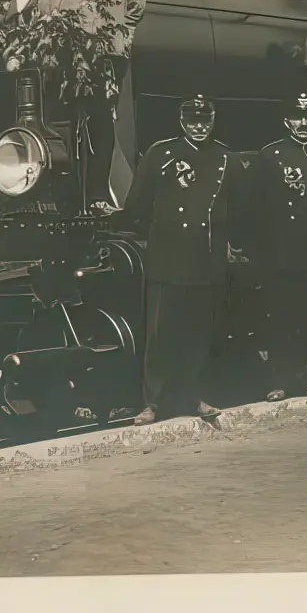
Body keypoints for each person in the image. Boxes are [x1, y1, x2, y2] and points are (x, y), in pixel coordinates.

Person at [119, 94, 235, 425]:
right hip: (168, 258)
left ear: (212, 121)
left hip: (205, 259)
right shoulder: (161, 154)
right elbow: (137, 205)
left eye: (205, 120)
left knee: (198, 334)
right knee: (160, 335)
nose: (199, 127)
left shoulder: (224, 157)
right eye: (192, 120)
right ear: (181, 121)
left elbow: (238, 207)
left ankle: (196, 397)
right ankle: (153, 403)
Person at [33, 0, 148, 213]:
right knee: (63, 122)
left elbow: (137, 5)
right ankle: (65, 197)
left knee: (101, 121)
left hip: (106, 56)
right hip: (66, 54)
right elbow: (44, 6)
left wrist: (117, 37)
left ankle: (97, 194)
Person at [244, 91, 307, 406]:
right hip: (279, 254)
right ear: (286, 121)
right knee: (280, 318)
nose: (304, 123)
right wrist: (258, 253)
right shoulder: (270, 157)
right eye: (297, 118)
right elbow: (254, 208)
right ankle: (280, 380)